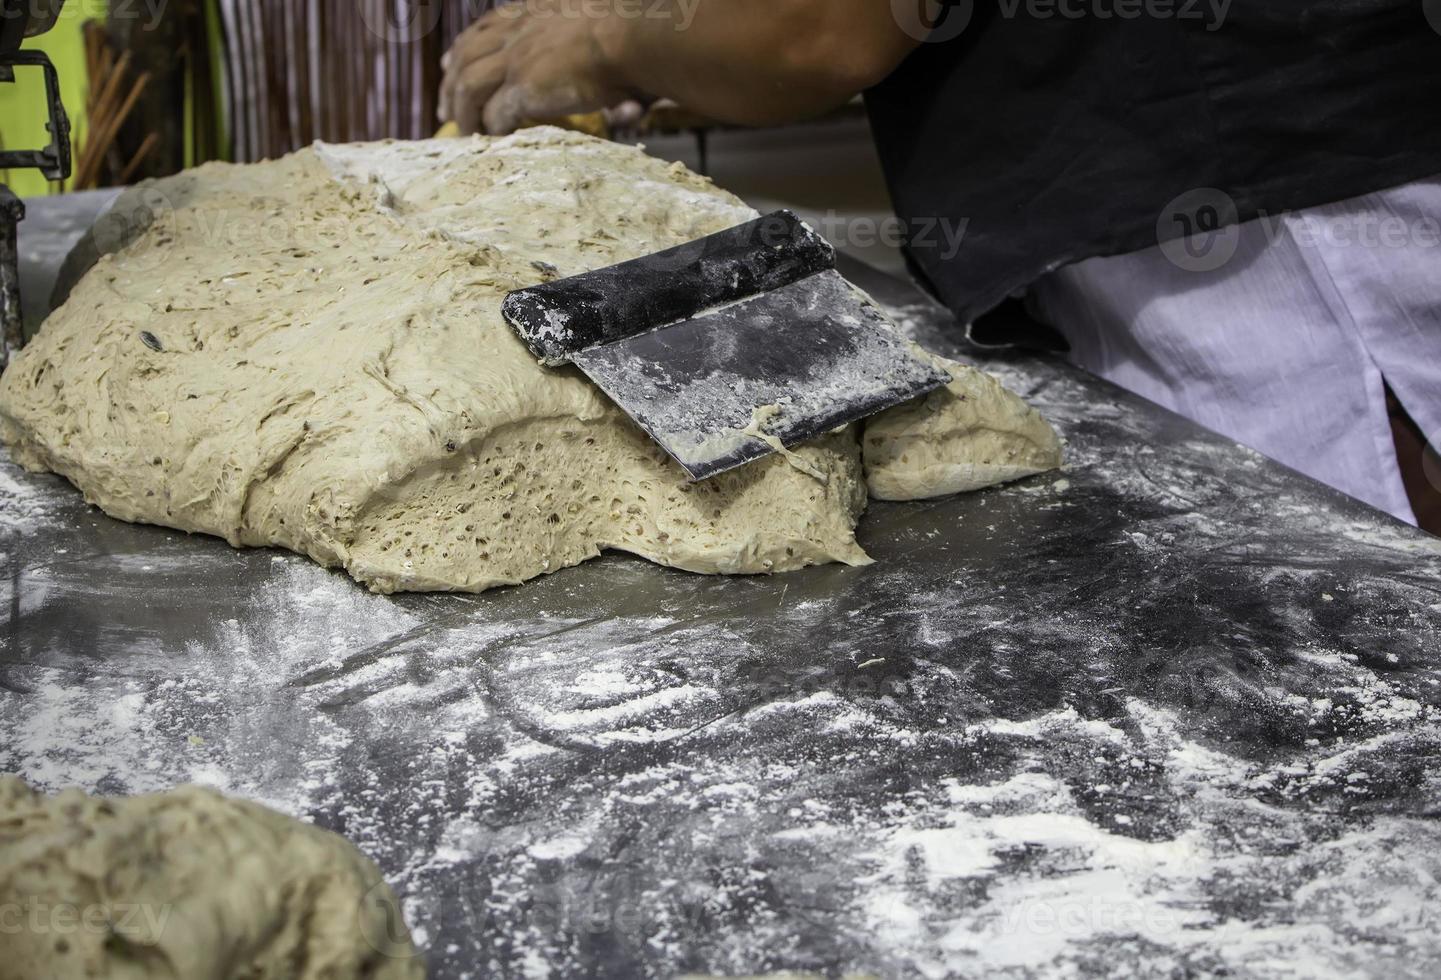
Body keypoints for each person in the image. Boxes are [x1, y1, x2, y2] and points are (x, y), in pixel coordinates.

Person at [437, 0, 1441, 532]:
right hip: (1224, 221)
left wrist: (610, 37)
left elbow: (823, 26)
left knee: (1370, 685)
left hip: (1307, 233)